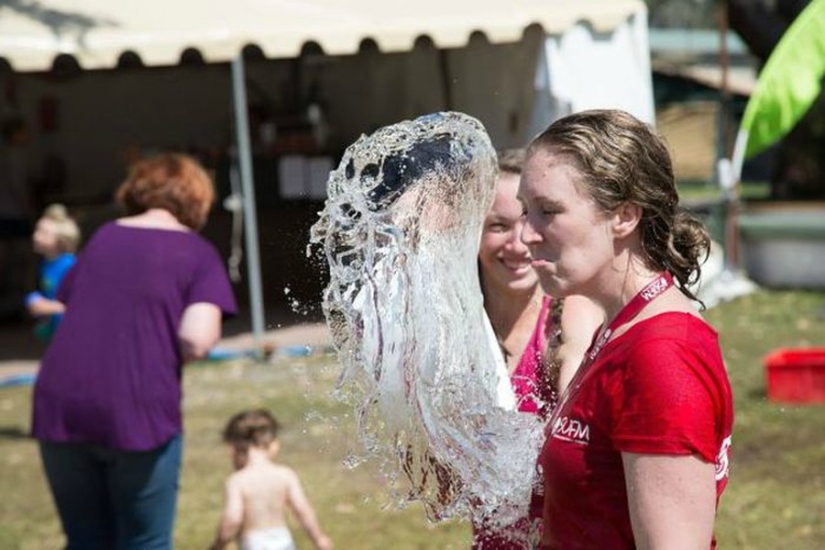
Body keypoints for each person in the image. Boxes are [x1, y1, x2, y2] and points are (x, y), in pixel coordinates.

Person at [519, 109, 734, 549]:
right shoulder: (622, 329)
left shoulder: (661, 355)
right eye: (526, 211)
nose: (526, 234)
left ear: (625, 216)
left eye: (548, 211)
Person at [31, 153, 238, 549]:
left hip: (60, 402)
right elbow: (196, 339)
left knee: (85, 540)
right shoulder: (197, 252)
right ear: (197, 199)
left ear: (136, 191)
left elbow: (69, 301)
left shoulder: (104, 237)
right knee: (146, 542)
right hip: (137, 407)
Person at [473, 149, 602, 549]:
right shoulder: (462, 333)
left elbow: (582, 444)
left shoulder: (567, 318)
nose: (518, 243)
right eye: (498, 225)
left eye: (529, 221)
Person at [210, 409, 333, 550]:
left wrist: (218, 545)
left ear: (235, 448)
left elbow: (233, 519)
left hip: (254, 544)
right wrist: (319, 538)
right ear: (273, 444)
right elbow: (302, 509)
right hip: (283, 542)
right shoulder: (285, 475)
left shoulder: (237, 481)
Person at [25, 203, 80, 340]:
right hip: (57, 332)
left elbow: (78, 304)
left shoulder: (70, 265)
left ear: (61, 239)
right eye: (37, 230)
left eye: (43, 233)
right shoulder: (46, 264)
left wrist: (47, 307)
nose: (36, 236)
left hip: (72, 334)